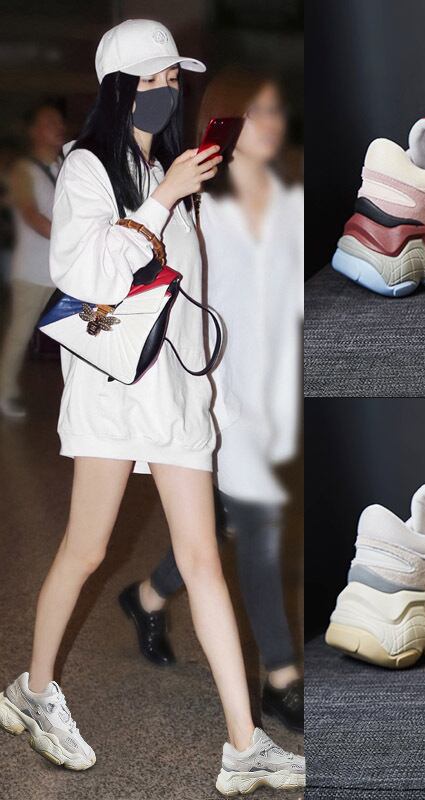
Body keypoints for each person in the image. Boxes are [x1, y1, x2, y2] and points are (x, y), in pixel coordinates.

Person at [0, 20, 303, 796]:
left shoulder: (169, 169)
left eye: (176, 79)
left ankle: (245, 745)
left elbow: (193, 297)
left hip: (174, 396)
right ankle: (33, 691)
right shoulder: (86, 168)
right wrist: (162, 202)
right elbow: (87, 273)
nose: (170, 91)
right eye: (156, 79)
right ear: (119, 90)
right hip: (113, 389)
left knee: (202, 560)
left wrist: (214, 394)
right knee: (86, 549)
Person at [119, 67, 304, 733]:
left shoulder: (288, 201)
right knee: (257, 527)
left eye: (277, 111)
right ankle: (281, 677)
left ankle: (146, 597)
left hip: (268, 394)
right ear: (225, 123)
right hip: (216, 391)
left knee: (223, 519)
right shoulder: (197, 207)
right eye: (257, 112)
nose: (273, 123)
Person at [0, 101, 65, 418]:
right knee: (20, 334)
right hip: (33, 270)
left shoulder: (67, 166)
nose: (59, 127)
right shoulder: (23, 170)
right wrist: (73, 241)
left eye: (59, 121)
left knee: (82, 331)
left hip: (66, 268)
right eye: (50, 122)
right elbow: (31, 215)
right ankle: (4, 392)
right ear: (34, 131)